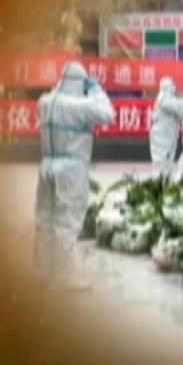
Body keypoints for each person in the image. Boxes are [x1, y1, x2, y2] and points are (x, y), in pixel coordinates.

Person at [34, 62, 114, 291]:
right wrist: (96, 90)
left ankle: (43, 271)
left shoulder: (44, 101)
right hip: (71, 169)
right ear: (81, 83)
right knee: (66, 223)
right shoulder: (80, 106)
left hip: (47, 165)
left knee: (44, 219)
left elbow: (56, 96)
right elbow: (108, 114)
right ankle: (64, 276)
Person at [149, 77, 183, 178]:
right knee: (160, 161)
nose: (174, 88)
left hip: (169, 134)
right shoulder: (163, 98)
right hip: (161, 135)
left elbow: (181, 112)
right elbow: (176, 106)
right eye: (172, 86)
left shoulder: (170, 99)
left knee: (168, 161)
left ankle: (166, 180)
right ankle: (158, 182)